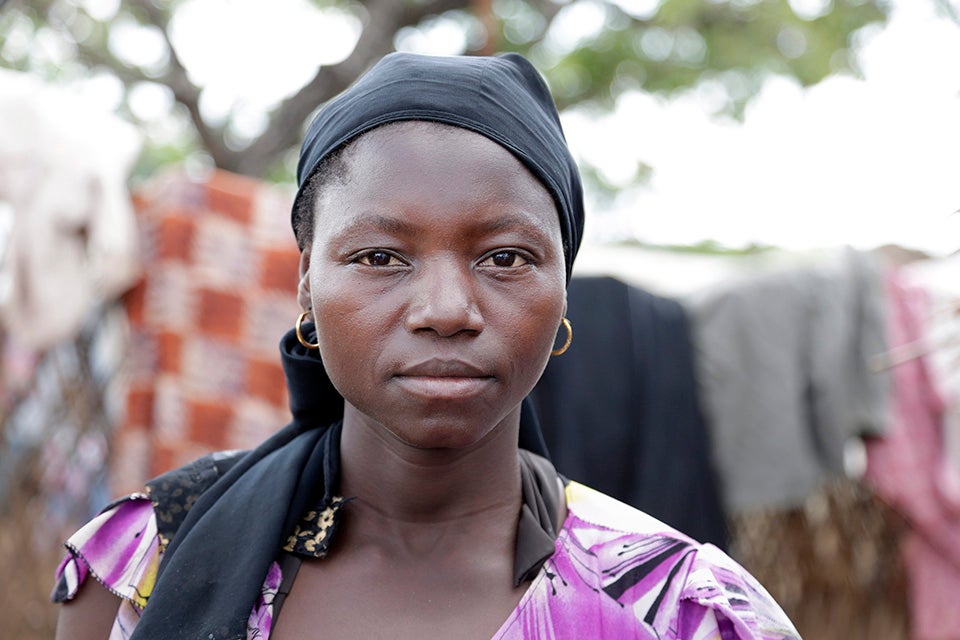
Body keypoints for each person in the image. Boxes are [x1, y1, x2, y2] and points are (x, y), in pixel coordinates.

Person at [51, 52, 802, 640]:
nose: (447, 310)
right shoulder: (139, 566)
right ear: (307, 283)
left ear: (564, 291)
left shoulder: (685, 613)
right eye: (380, 257)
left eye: (505, 257)